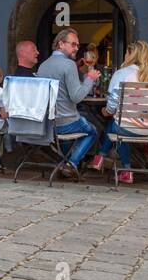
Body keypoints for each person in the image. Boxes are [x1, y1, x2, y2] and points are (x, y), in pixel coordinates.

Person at [90, 41, 148, 184]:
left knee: (116, 126)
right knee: (118, 125)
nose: (124, 55)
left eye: (126, 52)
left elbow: (112, 104)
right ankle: (106, 160)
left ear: (131, 54)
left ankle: (105, 158)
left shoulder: (122, 73)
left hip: (126, 127)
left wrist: (107, 111)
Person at [36, 28, 100, 179]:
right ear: (61, 44)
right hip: (66, 123)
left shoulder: (43, 65)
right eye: (73, 44)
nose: (77, 48)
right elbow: (77, 97)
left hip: (47, 124)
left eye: (77, 45)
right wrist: (89, 78)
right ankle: (71, 163)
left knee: (76, 125)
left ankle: (63, 162)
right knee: (93, 131)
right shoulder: (69, 65)